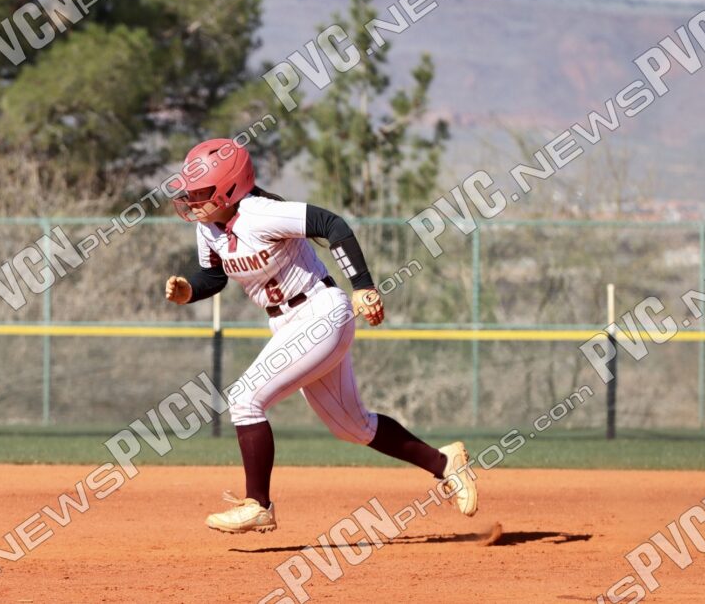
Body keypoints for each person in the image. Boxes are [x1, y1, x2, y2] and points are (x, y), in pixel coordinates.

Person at [164, 138, 477, 534]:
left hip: (320, 312)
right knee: (353, 426)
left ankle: (258, 504)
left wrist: (363, 286)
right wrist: (190, 290)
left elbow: (333, 225)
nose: (193, 200)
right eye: (190, 192)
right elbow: (213, 275)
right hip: (287, 323)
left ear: (230, 187)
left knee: (244, 399)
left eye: (202, 191)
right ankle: (445, 463)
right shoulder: (208, 228)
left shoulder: (261, 212)